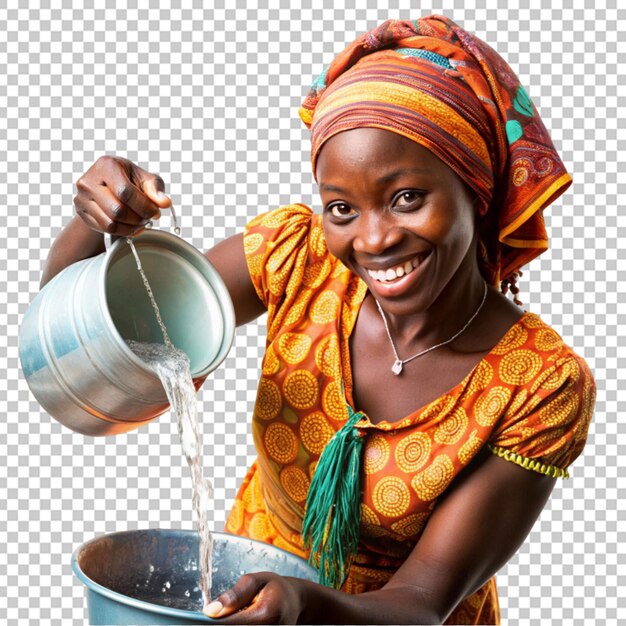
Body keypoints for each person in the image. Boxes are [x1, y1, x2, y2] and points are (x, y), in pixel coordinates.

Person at [41, 15, 595, 625]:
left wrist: (306, 605)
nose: (375, 239)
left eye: (407, 197)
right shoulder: (297, 258)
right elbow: (91, 354)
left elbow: (422, 602)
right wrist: (97, 223)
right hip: (243, 600)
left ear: (477, 188)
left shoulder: (539, 384)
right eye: (341, 208)